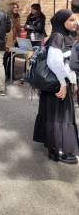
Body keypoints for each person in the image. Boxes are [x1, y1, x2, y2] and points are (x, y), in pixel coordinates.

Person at [33, 9, 79, 164]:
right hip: (57, 85)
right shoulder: (58, 37)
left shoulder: (64, 36)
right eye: (71, 20)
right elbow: (55, 62)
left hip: (59, 84)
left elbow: (68, 63)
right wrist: (63, 84)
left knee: (55, 115)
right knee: (60, 116)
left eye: (75, 19)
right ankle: (60, 150)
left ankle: (55, 148)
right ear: (62, 21)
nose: (75, 23)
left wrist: (72, 82)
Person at [4, 2, 21, 79]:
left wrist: (18, 38)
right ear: (11, 8)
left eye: (17, 7)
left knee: (12, 58)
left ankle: (10, 74)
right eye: (14, 7)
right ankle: (3, 75)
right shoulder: (6, 16)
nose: (16, 9)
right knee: (5, 58)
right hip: (7, 39)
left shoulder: (17, 17)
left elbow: (18, 29)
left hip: (14, 39)